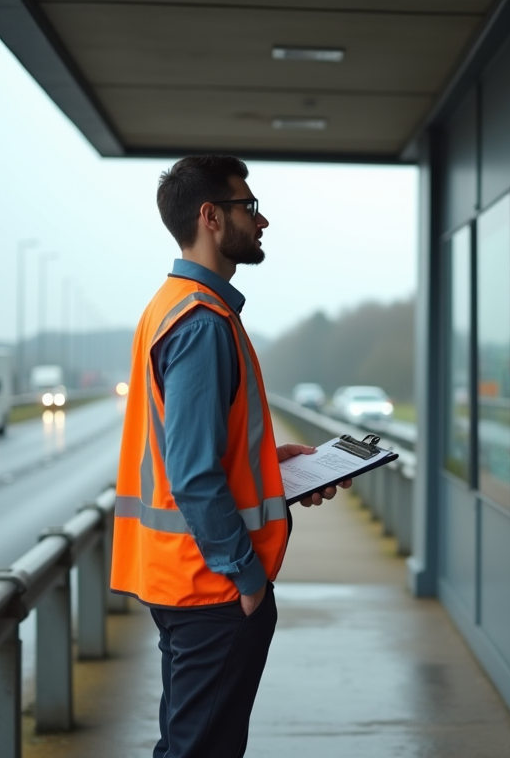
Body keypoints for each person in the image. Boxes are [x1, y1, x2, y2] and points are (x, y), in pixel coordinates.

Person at [110, 154, 348, 758]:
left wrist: (274, 464)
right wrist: (245, 576)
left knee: (189, 743)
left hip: (182, 578)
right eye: (250, 206)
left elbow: (194, 450)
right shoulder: (202, 322)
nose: (262, 221)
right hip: (211, 586)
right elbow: (192, 473)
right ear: (211, 216)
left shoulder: (171, 306)